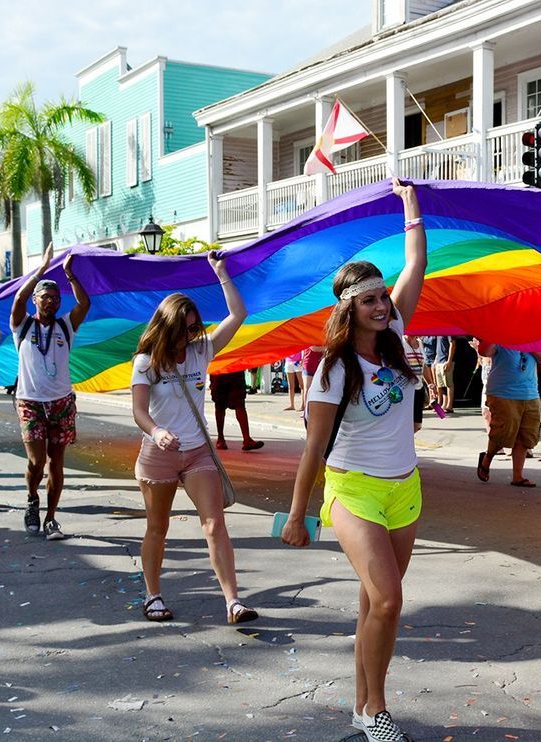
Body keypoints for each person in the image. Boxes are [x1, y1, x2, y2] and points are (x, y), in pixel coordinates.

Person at [282, 179, 425, 742]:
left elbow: (415, 266)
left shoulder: (399, 337)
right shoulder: (333, 369)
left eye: (383, 297)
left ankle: (363, 705)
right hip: (354, 490)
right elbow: (313, 448)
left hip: (405, 490)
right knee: (389, 599)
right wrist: (298, 514)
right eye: (369, 300)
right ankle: (377, 710)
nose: (382, 304)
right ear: (349, 308)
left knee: (373, 603)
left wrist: (411, 207)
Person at [131, 265, 259, 624]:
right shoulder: (145, 362)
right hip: (159, 455)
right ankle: (152, 595)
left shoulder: (202, 350)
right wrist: (157, 432)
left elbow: (239, 314)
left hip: (197, 452)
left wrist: (221, 273)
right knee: (158, 527)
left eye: (195, 328)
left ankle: (233, 602)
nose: (192, 334)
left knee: (215, 524)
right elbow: (139, 411)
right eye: (185, 329)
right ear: (167, 327)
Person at [10, 243, 90, 540]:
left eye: (56, 298)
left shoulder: (65, 326)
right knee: (36, 462)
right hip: (30, 402)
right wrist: (42, 268)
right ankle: (32, 502)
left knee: (57, 462)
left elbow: (84, 305)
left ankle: (51, 518)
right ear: (35, 300)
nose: (52, 302)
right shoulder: (23, 324)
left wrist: (69, 275)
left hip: (62, 403)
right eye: (46, 297)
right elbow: (17, 297)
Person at [475, 344, 541, 487]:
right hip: (502, 393)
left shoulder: (533, 336)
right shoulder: (500, 335)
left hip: (530, 393)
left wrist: (528, 345)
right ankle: (487, 458)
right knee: (503, 432)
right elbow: (484, 351)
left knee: (526, 435)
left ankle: (517, 476)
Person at [210, 370, 264, 451]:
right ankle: (221, 438)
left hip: (231, 368)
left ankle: (245, 439)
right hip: (222, 368)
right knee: (221, 404)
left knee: (237, 403)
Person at [433, 335, 455, 413]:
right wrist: (436, 360)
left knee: (449, 384)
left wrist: (449, 361)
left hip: (445, 361)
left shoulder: (449, 331)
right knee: (441, 385)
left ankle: (449, 406)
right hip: (439, 360)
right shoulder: (438, 332)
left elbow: (452, 344)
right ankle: (442, 405)